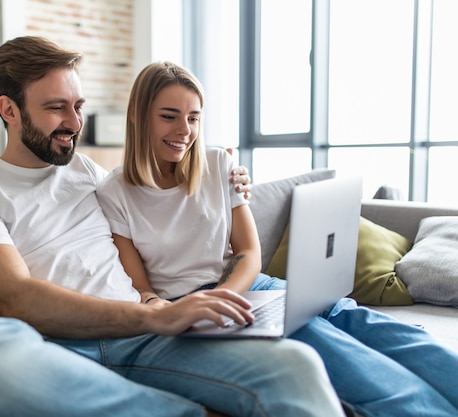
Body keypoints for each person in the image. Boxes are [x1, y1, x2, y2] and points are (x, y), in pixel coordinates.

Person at [0, 36, 346, 417]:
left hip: (143, 337)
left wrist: (230, 179)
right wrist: (151, 317)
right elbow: (14, 298)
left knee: (296, 363)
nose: (74, 122)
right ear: (9, 109)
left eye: (78, 106)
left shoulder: (88, 172)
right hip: (55, 352)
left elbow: (162, 191)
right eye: (56, 108)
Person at [95, 61, 458, 417]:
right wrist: (189, 308)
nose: (184, 131)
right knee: (350, 361)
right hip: (196, 306)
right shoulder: (115, 191)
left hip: (249, 286)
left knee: (383, 330)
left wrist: (229, 293)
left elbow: (250, 251)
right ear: (137, 114)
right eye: (169, 116)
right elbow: (142, 289)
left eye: (194, 118)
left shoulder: (219, 164)